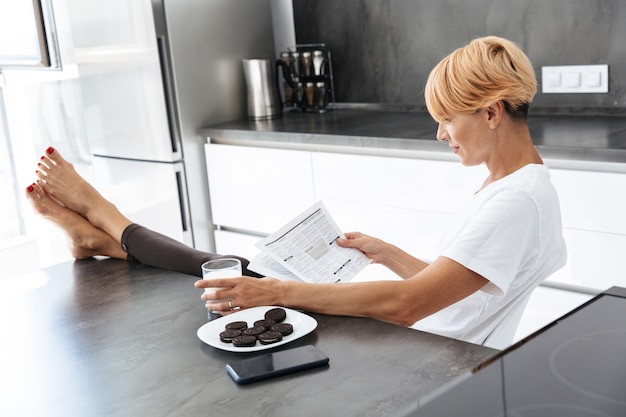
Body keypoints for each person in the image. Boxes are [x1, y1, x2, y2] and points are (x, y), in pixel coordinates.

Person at [26, 36, 566, 348]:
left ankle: (104, 218)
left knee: (230, 270)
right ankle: (102, 237)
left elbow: (408, 307)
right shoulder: (512, 185)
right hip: (427, 331)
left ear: (491, 112)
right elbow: (460, 285)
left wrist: (277, 293)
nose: (441, 135)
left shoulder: (515, 202)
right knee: (230, 267)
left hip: (424, 348)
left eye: (447, 120)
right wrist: (388, 253)